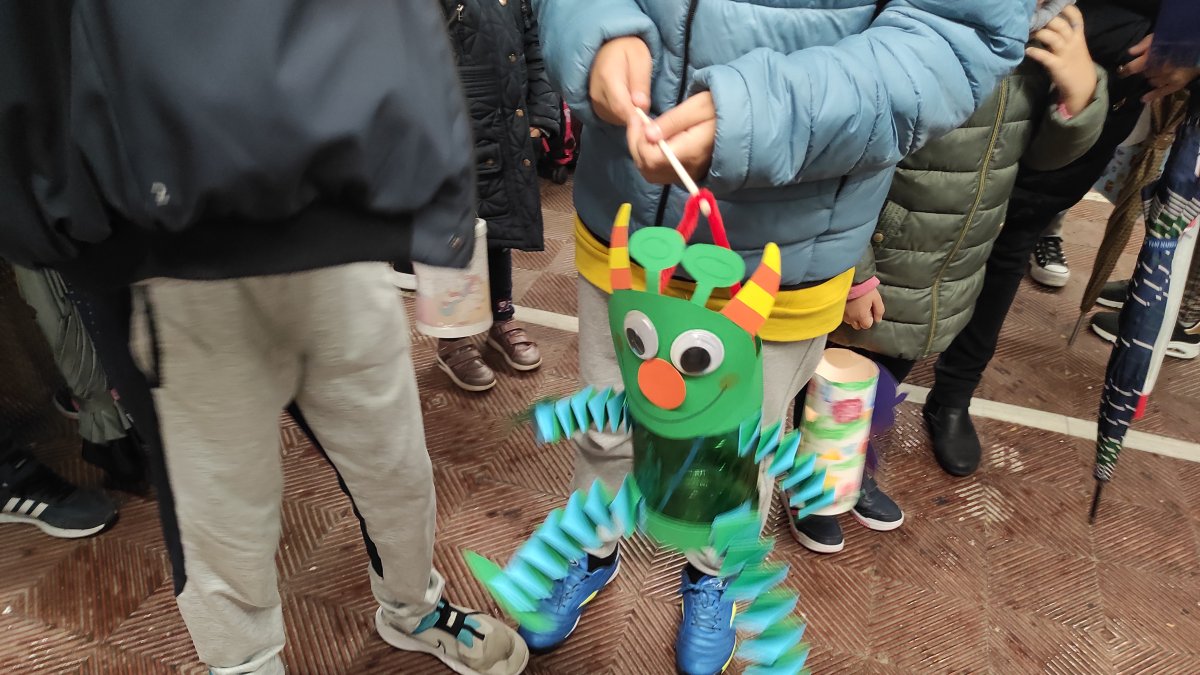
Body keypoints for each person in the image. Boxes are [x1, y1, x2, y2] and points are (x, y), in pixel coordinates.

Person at [0, 3, 527, 675]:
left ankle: (412, 606)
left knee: (397, 469)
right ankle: (247, 664)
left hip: (335, 223)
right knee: (220, 520)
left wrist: (442, 205)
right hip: (174, 259)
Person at [527, 0, 1030, 672]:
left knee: (742, 445)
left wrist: (763, 114)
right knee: (610, 413)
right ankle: (592, 545)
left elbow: (957, 35)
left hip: (787, 243)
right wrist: (596, 28)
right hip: (626, 220)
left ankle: (714, 572)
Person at [791, 0, 1107, 553]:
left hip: (951, 262)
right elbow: (847, 149)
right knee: (841, 376)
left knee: (890, 376)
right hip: (880, 246)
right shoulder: (916, 21)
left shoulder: (1038, 32)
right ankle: (814, 487)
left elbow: (1043, 156)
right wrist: (853, 267)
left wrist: (1080, 96)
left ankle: (852, 468)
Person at [921, 0, 1189, 477]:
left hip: (1104, 71)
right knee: (924, 212)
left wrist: (1190, 41)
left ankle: (955, 392)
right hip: (981, 42)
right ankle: (863, 373)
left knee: (1016, 232)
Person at [393, 0, 561, 392]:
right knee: (451, 235)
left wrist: (541, 115)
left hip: (505, 127)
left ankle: (501, 314)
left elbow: (533, 47)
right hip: (446, 135)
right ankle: (452, 336)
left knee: (498, 230)